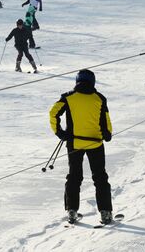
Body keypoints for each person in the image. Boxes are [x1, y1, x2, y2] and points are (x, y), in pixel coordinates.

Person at [49, 69, 114, 224]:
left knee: (74, 176)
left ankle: (71, 211)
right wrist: (107, 134)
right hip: (95, 143)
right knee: (100, 177)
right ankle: (105, 212)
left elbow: (53, 113)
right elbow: (106, 120)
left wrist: (60, 133)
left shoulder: (68, 97)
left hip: (75, 143)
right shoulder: (99, 98)